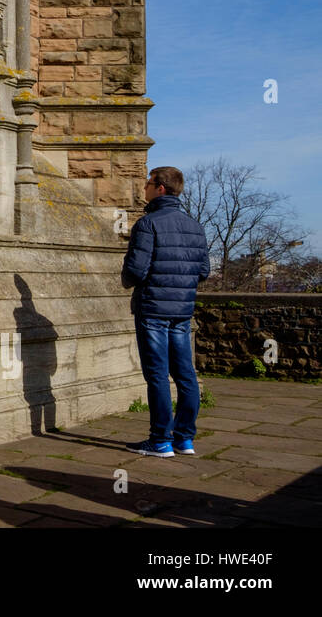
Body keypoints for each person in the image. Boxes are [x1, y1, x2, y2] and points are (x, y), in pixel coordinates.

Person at [120, 166, 211, 457]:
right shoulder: (195, 226)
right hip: (182, 311)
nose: (143, 189)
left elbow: (136, 270)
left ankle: (160, 440)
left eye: (147, 184)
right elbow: (204, 271)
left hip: (153, 310)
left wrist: (128, 279)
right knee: (186, 375)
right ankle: (184, 438)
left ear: (160, 188)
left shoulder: (148, 224)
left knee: (158, 375)